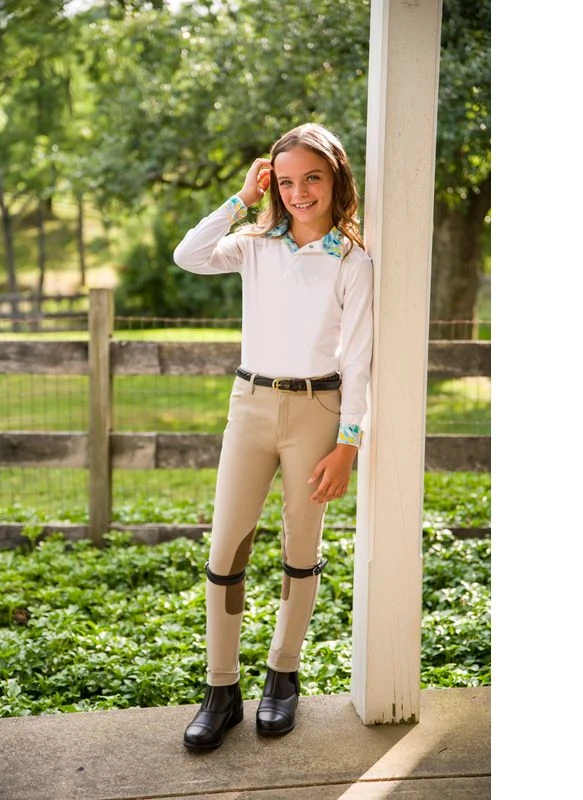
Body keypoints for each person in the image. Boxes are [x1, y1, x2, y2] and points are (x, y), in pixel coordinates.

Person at [173, 122, 373, 751]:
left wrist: (348, 444)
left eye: (312, 178)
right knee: (225, 550)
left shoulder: (352, 260)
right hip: (251, 406)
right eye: (285, 182)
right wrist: (242, 199)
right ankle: (221, 690)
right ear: (272, 186)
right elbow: (189, 255)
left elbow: (359, 359)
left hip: (318, 410)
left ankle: (282, 676)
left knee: (300, 549)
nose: (299, 192)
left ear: (336, 178)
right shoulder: (255, 245)